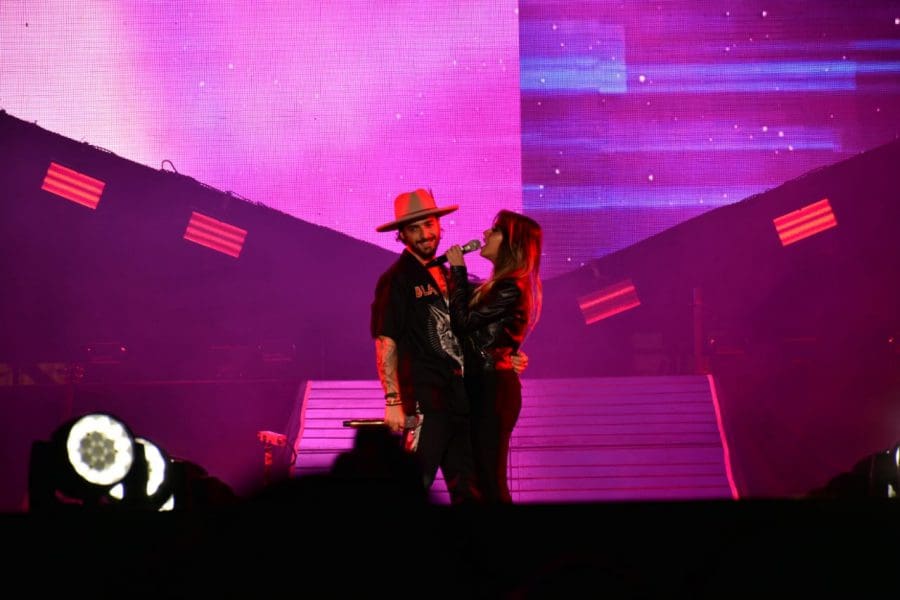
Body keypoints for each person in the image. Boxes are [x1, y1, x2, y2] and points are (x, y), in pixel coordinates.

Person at [370, 189, 527, 504]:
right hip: (426, 404)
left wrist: (506, 354)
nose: (425, 234)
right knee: (413, 484)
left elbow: (473, 330)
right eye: (414, 229)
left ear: (440, 226)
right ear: (401, 235)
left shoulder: (450, 274)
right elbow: (386, 340)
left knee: (470, 489)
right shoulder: (396, 279)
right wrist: (392, 399)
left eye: (429, 225)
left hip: (463, 401)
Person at [445, 209, 543, 504]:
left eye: (496, 230)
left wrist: (458, 271)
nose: (486, 234)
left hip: (493, 388)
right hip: (484, 385)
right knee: (480, 477)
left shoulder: (511, 287)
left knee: (490, 479)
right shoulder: (497, 286)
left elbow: (462, 323)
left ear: (512, 243)